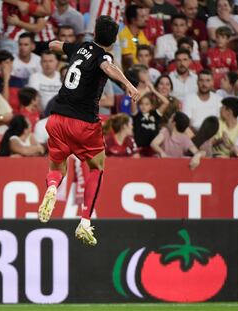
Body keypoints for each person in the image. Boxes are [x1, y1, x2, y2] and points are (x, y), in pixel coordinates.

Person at [38, 15, 139, 246]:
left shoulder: (81, 47)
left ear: (93, 34)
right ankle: (84, 222)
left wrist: (58, 47)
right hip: (84, 123)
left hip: (57, 118)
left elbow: (54, 45)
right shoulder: (105, 55)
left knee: (56, 166)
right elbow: (107, 66)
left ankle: (52, 187)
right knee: (97, 168)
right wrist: (128, 84)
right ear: (113, 41)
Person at [132, 85, 170, 157]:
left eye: (147, 104)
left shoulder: (155, 114)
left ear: (151, 106)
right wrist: (146, 91)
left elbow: (166, 102)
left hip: (153, 150)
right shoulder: (137, 115)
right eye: (141, 104)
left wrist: (154, 91)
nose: (143, 106)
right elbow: (133, 100)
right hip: (139, 150)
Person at [119, 4, 150, 71]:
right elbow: (127, 59)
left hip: (143, 70)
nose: (146, 19)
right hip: (131, 73)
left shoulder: (141, 33)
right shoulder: (123, 35)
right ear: (133, 20)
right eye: (142, 17)